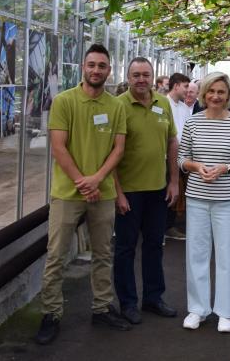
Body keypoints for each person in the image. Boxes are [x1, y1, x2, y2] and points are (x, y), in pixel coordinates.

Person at [35, 44, 129, 345]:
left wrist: (98, 179)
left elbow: (118, 148)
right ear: (82, 67)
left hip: (102, 194)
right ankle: (50, 313)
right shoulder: (64, 101)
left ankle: (101, 308)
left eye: (102, 66)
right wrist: (81, 181)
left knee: (103, 253)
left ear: (109, 70)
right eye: (92, 65)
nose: (96, 70)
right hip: (67, 193)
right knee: (56, 255)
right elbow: (58, 147)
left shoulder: (115, 106)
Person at [177, 72, 230, 333]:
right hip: (197, 197)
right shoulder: (193, 122)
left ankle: (225, 311)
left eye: (221, 92)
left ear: (227, 94)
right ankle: (197, 309)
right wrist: (197, 166)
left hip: (228, 200)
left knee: (225, 256)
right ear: (203, 93)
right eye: (211, 91)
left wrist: (226, 168)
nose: (216, 96)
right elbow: (181, 158)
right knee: (196, 254)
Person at [112, 58, 179, 326]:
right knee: (125, 249)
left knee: (155, 245)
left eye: (146, 74)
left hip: (157, 190)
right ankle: (128, 302)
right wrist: (118, 193)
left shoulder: (163, 103)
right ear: (128, 77)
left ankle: (153, 298)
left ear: (153, 76)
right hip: (128, 191)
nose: (141, 79)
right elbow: (111, 152)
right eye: (136, 75)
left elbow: (172, 141)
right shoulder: (118, 106)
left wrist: (174, 181)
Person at [166, 72, 192, 241]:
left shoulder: (184, 108)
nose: (188, 91)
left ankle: (169, 225)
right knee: (167, 191)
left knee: (177, 191)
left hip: (182, 158)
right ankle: (165, 227)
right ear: (176, 86)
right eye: (185, 87)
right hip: (166, 157)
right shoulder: (162, 104)